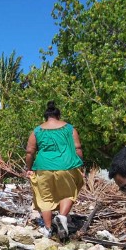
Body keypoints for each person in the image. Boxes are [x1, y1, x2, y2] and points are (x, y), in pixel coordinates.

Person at [25, 101, 84, 241]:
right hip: (67, 165)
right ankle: (62, 217)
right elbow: (78, 148)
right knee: (68, 193)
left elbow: (29, 152)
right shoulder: (70, 129)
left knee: (45, 198)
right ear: (58, 116)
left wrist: (29, 168)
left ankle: (48, 228)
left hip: (43, 167)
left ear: (45, 117)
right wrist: (80, 166)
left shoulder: (37, 130)